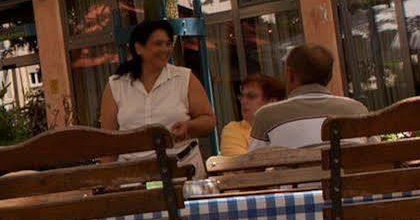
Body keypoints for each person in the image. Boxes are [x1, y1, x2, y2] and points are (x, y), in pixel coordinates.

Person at [99, 20, 216, 166]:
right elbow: (108, 143)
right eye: (158, 44)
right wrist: (109, 182)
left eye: (168, 44)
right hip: (133, 176)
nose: (165, 49)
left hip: (183, 167)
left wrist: (189, 126)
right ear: (139, 48)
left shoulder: (184, 78)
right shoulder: (116, 85)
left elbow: (209, 120)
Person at [248, 44, 369, 149]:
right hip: (349, 176)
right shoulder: (357, 110)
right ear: (329, 76)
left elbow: (253, 167)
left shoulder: (267, 116)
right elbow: (376, 154)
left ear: (290, 75)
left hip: (296, 176)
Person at [218, 73, 288, 159]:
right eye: (242, 96)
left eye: (251, 96)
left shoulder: (287, 127)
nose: (243, 101)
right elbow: (241, 168)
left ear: (272, 102)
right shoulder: (234, 129)